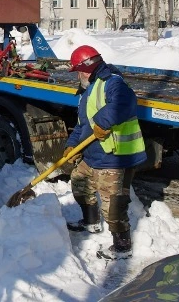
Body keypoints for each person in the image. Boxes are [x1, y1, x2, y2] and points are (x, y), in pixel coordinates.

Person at [63, 45, 146, 260]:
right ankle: (90, 221)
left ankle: (122, 246)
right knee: (79, 182)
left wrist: (102, 121)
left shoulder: (113, 82)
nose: (78, 75)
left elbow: (125, 103)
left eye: (79, 70)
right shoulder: (87, 91)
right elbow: (82, 124)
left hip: (114, 157)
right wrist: (71, 145)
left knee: (113, 206)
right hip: (92, 155)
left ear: (88, 67)